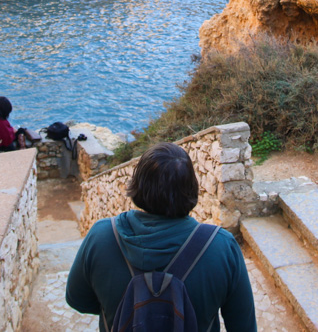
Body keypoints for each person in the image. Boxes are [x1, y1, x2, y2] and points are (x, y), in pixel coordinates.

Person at [66, 142, 256, 332]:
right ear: (191, 188)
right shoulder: (221, 247)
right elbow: (243, 325)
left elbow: (77, 299)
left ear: (138, 185)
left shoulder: (102, 236)